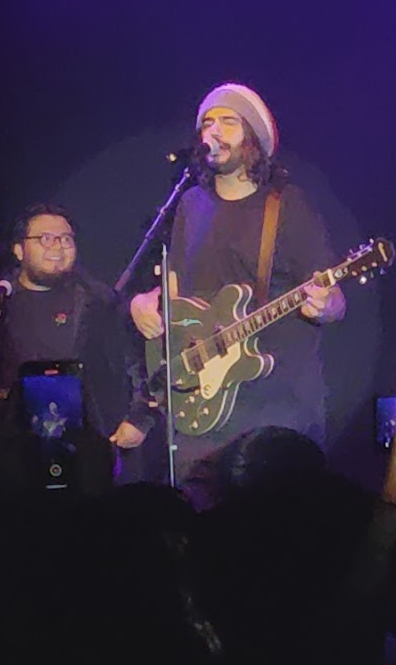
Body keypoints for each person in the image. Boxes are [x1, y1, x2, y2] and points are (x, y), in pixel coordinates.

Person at [130, 83, 345, 502]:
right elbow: (173, 290)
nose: (214, 130)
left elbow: (334, 298)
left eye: (228, 121)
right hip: (199, 404)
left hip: (274, 405)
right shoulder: (190, 205)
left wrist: (327, 304)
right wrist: (143, 304)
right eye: (208, 122)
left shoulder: (287, 205)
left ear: (254, 140)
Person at [0, 203, 155, 490]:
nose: (58, 246)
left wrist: (139, 418)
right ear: (19, 250)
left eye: (66, 239)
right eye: (45, 238)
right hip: (14, 457)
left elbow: (135, 362)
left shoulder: (97, 302)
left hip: (85, 451)